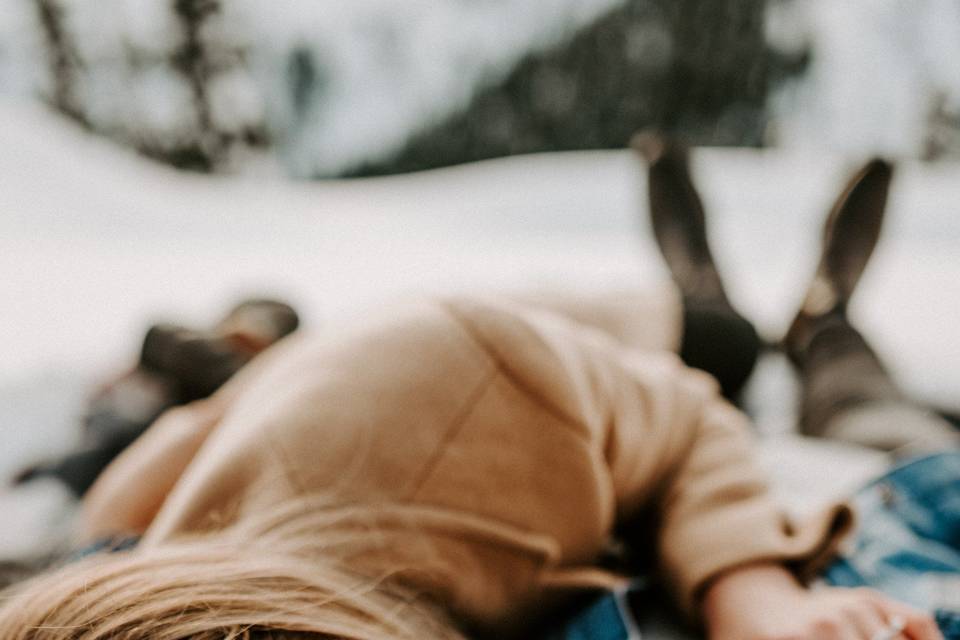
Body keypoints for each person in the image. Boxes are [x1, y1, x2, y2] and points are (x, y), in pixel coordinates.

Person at [0, 142, 948, 640]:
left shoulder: (457, 406)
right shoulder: (115, 570)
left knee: (747, 354)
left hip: (543, 348)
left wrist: (756, 598)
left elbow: (686, 417)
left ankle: (802, 308)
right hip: (349, 383)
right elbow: (181, 440)